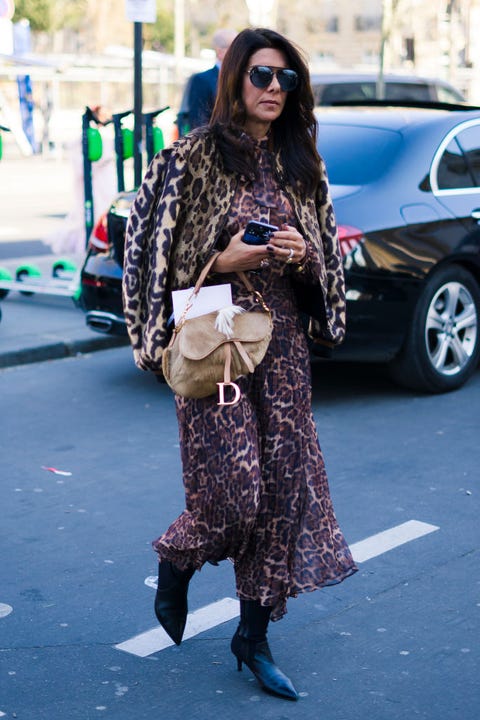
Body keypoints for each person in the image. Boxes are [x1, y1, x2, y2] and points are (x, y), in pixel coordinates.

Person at [122, 27, 357, 701]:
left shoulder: (301, 164)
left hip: (282, 347)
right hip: (214, 338)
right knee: (234, 494)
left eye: (286, 79)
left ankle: (252, 637)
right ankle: (178, 556)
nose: (274, 90)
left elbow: (326, 265)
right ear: (233, 79)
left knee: (281, 495)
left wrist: (298, 253)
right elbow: (148, 260)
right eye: (262, 75)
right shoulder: (188, 160)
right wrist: (222, 259)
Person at [177, 28, 237, 134]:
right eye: (235, 47)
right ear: (220, 52)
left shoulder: (244, 78)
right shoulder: (201, 80)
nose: (240, 52)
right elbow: (198, 123)